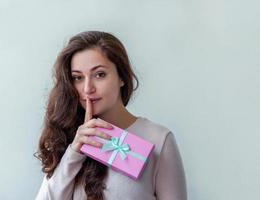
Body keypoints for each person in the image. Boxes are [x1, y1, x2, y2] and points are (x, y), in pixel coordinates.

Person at [34, 30, 187, 200]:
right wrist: (74, 153)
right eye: (77, 78)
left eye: (99, 74)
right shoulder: (67, 138)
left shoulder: (159, 139)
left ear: (122, 76)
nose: (87, 88)